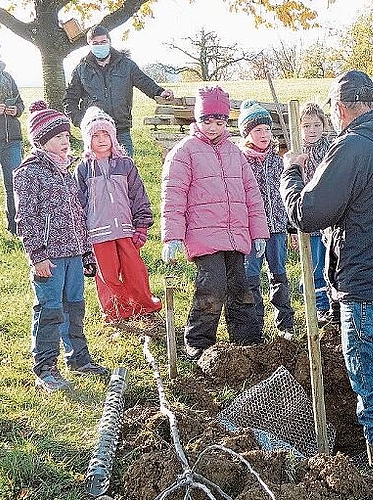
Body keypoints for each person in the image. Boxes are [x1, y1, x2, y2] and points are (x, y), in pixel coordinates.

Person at [281, 71, 373, 468]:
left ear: (341, 110)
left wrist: (290, 175)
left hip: (368, 288)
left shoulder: (353, 148)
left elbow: (308, 212)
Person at [161, 86, 269, 359]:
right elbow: (173, 195)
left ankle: (248, 341)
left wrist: (259, 233)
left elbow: (251, 196)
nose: (212, 127)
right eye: (207, 121)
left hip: (235, 235)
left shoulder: (235, 153)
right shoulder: (184, 152)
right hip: (203, 235)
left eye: (219, 122)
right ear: (197, 119)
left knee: (240, 288)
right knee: (212, 286)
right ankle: (199, 342)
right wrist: (172, 236)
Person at [14, 101, 109, 392]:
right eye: (59, 138)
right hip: (49, 258)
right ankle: (45, 367)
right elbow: (25, 218)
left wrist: (86, 252)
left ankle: (79, 358)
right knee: (50, 309)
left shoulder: (66, 171)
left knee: (75, 308)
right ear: (42, 141)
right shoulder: (28, 173)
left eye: (67, 137)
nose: (66, 142)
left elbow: (78, 214)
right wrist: (38, 255)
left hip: (73, 254)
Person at [75, 106, 162, 322]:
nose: (102, 139)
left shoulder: (126, 165)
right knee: (107, 275)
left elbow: (139, 196)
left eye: (106, 134)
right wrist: (82, 234)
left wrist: (141, 226)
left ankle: (144, 306)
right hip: (98, 233)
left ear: (113, 136)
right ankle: (117, 311)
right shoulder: (83, 169)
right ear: (88, 139)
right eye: (96, 135)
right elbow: (78, 204)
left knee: (135, 270)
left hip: (125, 229)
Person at [63, 24, 174, 157]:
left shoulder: (126, 65)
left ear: (109, 42)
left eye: (103, 42)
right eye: (96, 43)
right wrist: (81, 120)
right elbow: (69, 99)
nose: (100, 45)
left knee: (125, 172)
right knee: (96, 174)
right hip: (95, 132)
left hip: (121, 130)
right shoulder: (81, 69)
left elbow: (144, 81)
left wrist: (160, 92)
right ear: (90, 45)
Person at [237, 99, 295, 339]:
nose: (264, 134)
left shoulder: (277, 160)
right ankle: (255, 325)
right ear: (247, 134)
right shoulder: (241, 161)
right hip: (252, 232)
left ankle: (285, 325)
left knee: (279, 274)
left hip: (278, 227)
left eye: (267, 129)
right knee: (251, 277)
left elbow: (287, 195)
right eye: (257, 130)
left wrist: (290, 227)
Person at [299, 102, 335, 325]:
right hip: (307, 217)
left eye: (316, 125)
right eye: (306, 126)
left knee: (329, 262)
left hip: (328, 216)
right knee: (313, 264)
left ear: (324, 125)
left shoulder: (331, 149)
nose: (312, 130)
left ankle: (330, 303)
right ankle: (316, 304)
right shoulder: (297, 151)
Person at [0, 38, 24, 235]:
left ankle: (15, 227)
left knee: (15, 187)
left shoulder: (8, 78)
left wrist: (16, 110)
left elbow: (21, 103)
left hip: (12, 141)